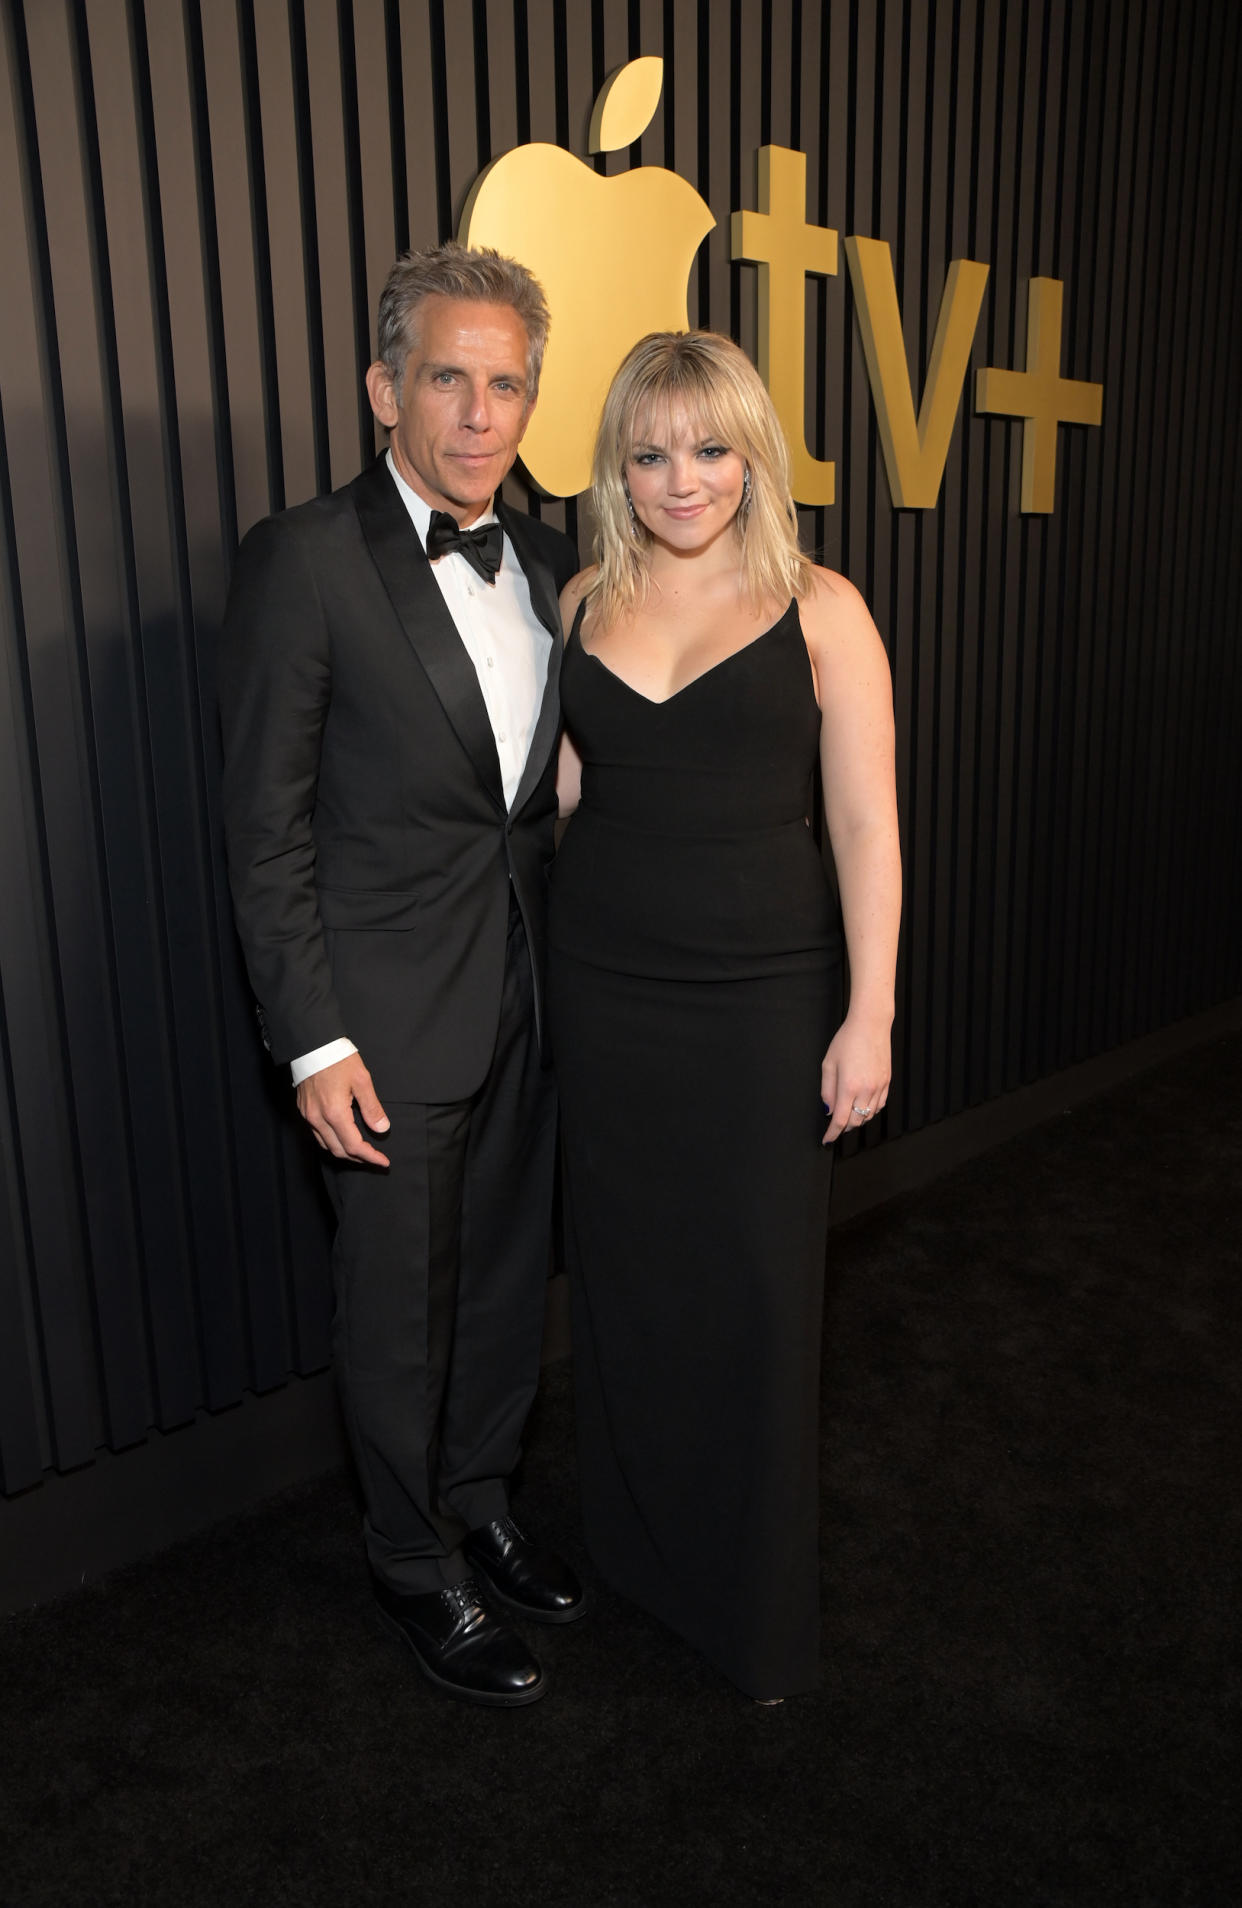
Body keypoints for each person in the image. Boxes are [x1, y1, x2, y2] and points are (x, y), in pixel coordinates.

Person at [218, 243, 584, 1708]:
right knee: (393, 1310)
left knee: (502, 1286)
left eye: (506, 385)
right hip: (379, 1024)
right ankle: (407, 1557)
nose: (480, 413)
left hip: (523, 998)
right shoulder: (301, 559)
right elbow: (262, 831)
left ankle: (483, 1497)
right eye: (449, 377)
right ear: (383, 386)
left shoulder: (552, 563)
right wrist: (312, 1042)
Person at [547, 330, 901, 1702]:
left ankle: (752, 1612)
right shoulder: (581, 601)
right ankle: (640, 1559)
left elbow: (865, 824)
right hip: (605, 988)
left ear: (752, 454)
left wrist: (868, 1012)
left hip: (760, 1000)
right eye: (648, 453)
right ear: (616, 467)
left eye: (706, 449)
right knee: (629, 1287)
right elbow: (569, 789)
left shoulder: (823, 607)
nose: (679, 479)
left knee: (757, 1295)